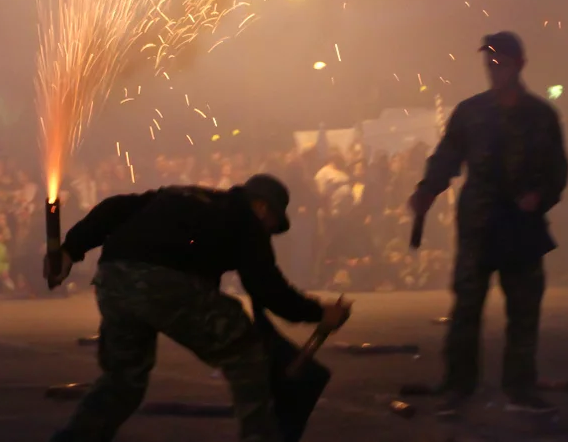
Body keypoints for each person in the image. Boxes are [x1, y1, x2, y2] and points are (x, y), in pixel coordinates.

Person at [45, 174, 352, 442]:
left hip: (113, 279)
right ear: (262, 207)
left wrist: (70, 249)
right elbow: (267, 287)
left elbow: (114, 209)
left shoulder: (187, 196)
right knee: (247, 352)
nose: (270, 231)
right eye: (273, 223)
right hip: (165, 281)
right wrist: (319, 312)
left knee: (123, 380)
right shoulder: (245, 218)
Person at [410, 31, 568, 416]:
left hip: (522, 228)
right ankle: (458, 384)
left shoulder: (541, 116)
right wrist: (427, 190)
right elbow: (447, 157)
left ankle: (520, 388)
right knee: (466, 310)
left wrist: (540, 196)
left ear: (519, 65)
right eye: (491, 63)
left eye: (502, 63)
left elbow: (558, 170)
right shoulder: (471, 112)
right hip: (479, 226)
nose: (495, 70)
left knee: (523, 312)